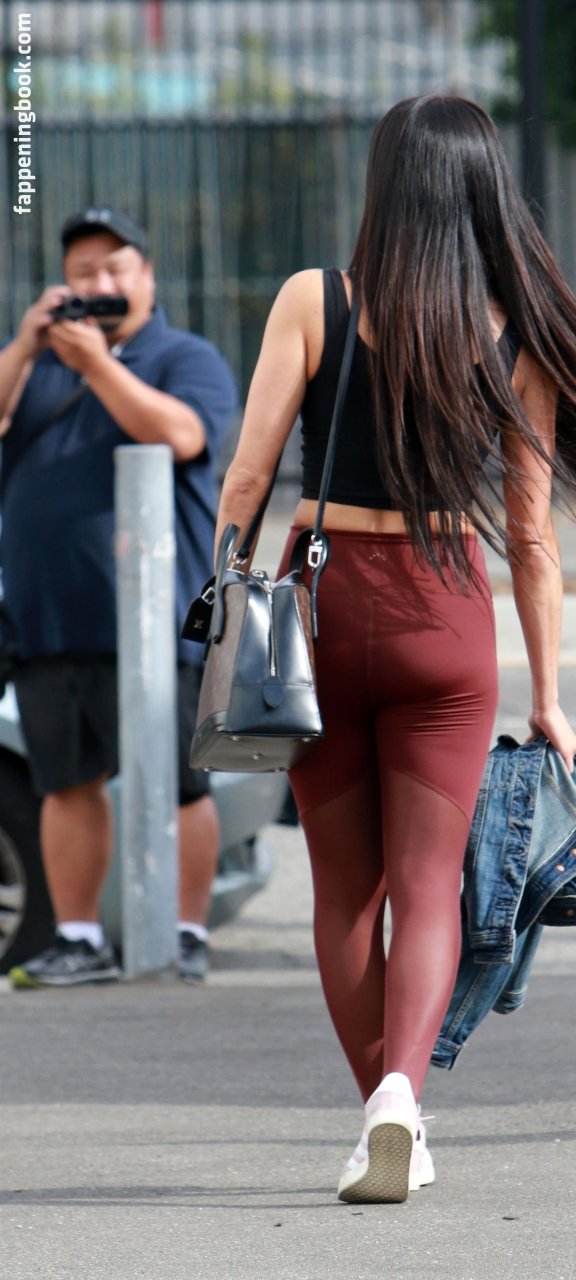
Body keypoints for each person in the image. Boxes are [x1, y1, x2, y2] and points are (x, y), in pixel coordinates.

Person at [215, 95, 576, 1203]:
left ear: (382, 187)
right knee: (428, 888)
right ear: (484, 193)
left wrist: (227, 599)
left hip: (320, 613)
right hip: (446, 614)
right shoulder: (518, 334)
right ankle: (401, 1102)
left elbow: (247, 476)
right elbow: (531, 536)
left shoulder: (314, 299)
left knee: (345, 893)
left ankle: (386, 1111)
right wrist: (549, 696)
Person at [0, 207, 238, 987]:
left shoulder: (184, 355)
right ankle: (77, 937)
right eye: (82, 273)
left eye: (113, 269)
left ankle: (185, 933)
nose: (98, 284)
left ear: (147, 276)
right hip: (49, 617)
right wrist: (26, 345)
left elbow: (183, 435)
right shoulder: (39, 362)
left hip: (157, 616)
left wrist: (98, 365)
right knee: (65, 782)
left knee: (179, 782)